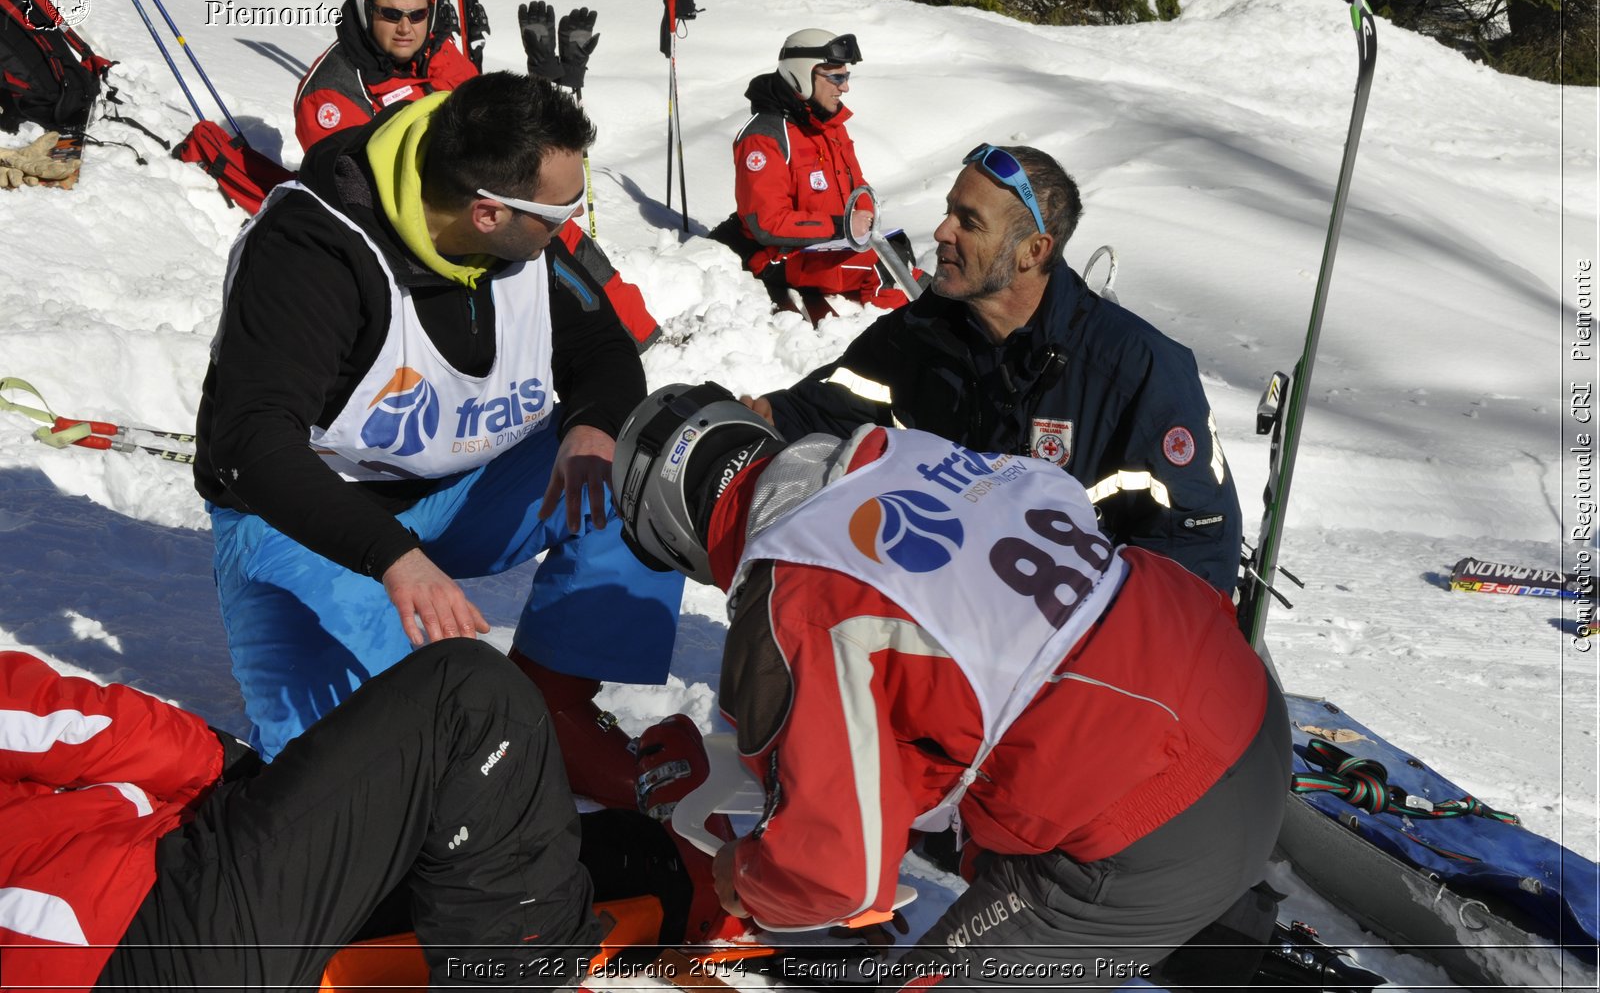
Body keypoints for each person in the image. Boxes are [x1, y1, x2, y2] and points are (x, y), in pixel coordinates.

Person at [612, 382, 1290, 984]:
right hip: (1244, 703)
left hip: (1148, 820)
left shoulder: (791, 597)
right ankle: (1218, 930)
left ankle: (1162, 913)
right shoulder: (896, 452)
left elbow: (835, 874)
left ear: (675, 540)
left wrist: (749, 877)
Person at [194, 72, 682, 808]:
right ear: (487, 213)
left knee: (652, 460)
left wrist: (592, 427)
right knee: (359, 773)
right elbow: (251, 443)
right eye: (563, 211)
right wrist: (390, 556)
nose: (572, 225)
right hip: (307, 523)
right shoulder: (311, 248)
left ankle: (557, 702)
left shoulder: (522, 225)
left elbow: (604, 349)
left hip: (459, 493)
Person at [743, 144, 1243, 595]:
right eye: (947, 212)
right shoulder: (920, 332)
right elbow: (832, 407)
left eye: (969, 221)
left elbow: (1193, 546)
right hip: (949, 615)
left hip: (1079, 645)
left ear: (1034, 251)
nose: (941, 233)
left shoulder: (1138, 370)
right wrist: (767, 417)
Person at [0, 641, 601, 991]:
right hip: (130, 931)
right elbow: (72, 725)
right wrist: (230, 767)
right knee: (466, 700)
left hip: (97, 942)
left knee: (467, 821)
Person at [708, 29, 913, 325]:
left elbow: (857, 186)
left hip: (829, 245)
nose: (844, 89)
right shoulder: (765, 137)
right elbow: (768, 223)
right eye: (836, 78)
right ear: (803, 75)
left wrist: (862, 218)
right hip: (778, 256)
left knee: (898, 252)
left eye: (846, 77)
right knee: (883, 270)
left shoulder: (829, 125)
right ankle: (894, 335)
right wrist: (839, 226)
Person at [292, 0, 478, 155]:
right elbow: (353, 179)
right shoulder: (332, 91)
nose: (405, 28)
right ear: (368, 11)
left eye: (418, 14)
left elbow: (487, 116)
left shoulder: (439, 51)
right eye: (391, 14)